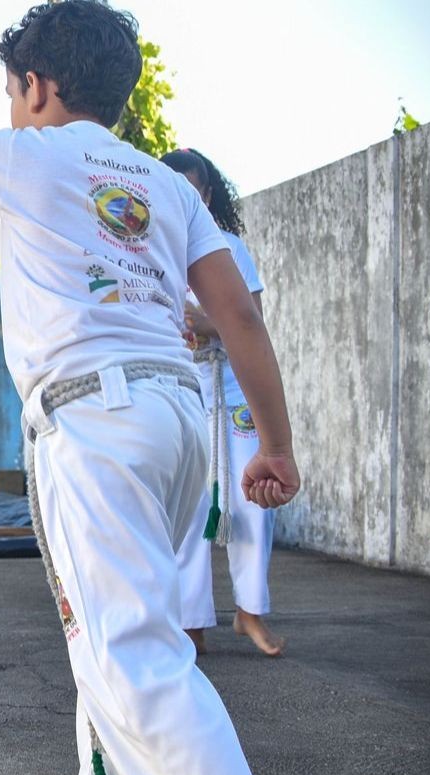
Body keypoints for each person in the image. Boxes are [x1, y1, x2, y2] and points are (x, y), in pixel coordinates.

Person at [0, 2, 307, 775]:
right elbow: (240, 314)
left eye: (13, 88)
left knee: (132, 647)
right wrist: (275, 444)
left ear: (36, 84)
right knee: (109, 626)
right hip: (177, 418)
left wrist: (4, 138)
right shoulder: (170, 185)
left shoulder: (27, 150)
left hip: (95, 418)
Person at [163, 148, 285, 658]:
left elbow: (249, 317)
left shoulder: (229, 246)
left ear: (208, 194)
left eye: (197, 189)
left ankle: (249, 612)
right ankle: (192, 622)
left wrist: (205, 323)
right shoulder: (151, 246)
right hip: (182, 389)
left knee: (251, 502)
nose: (189, 198)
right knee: (189, 508)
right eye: (178, 190)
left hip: (232, 391)